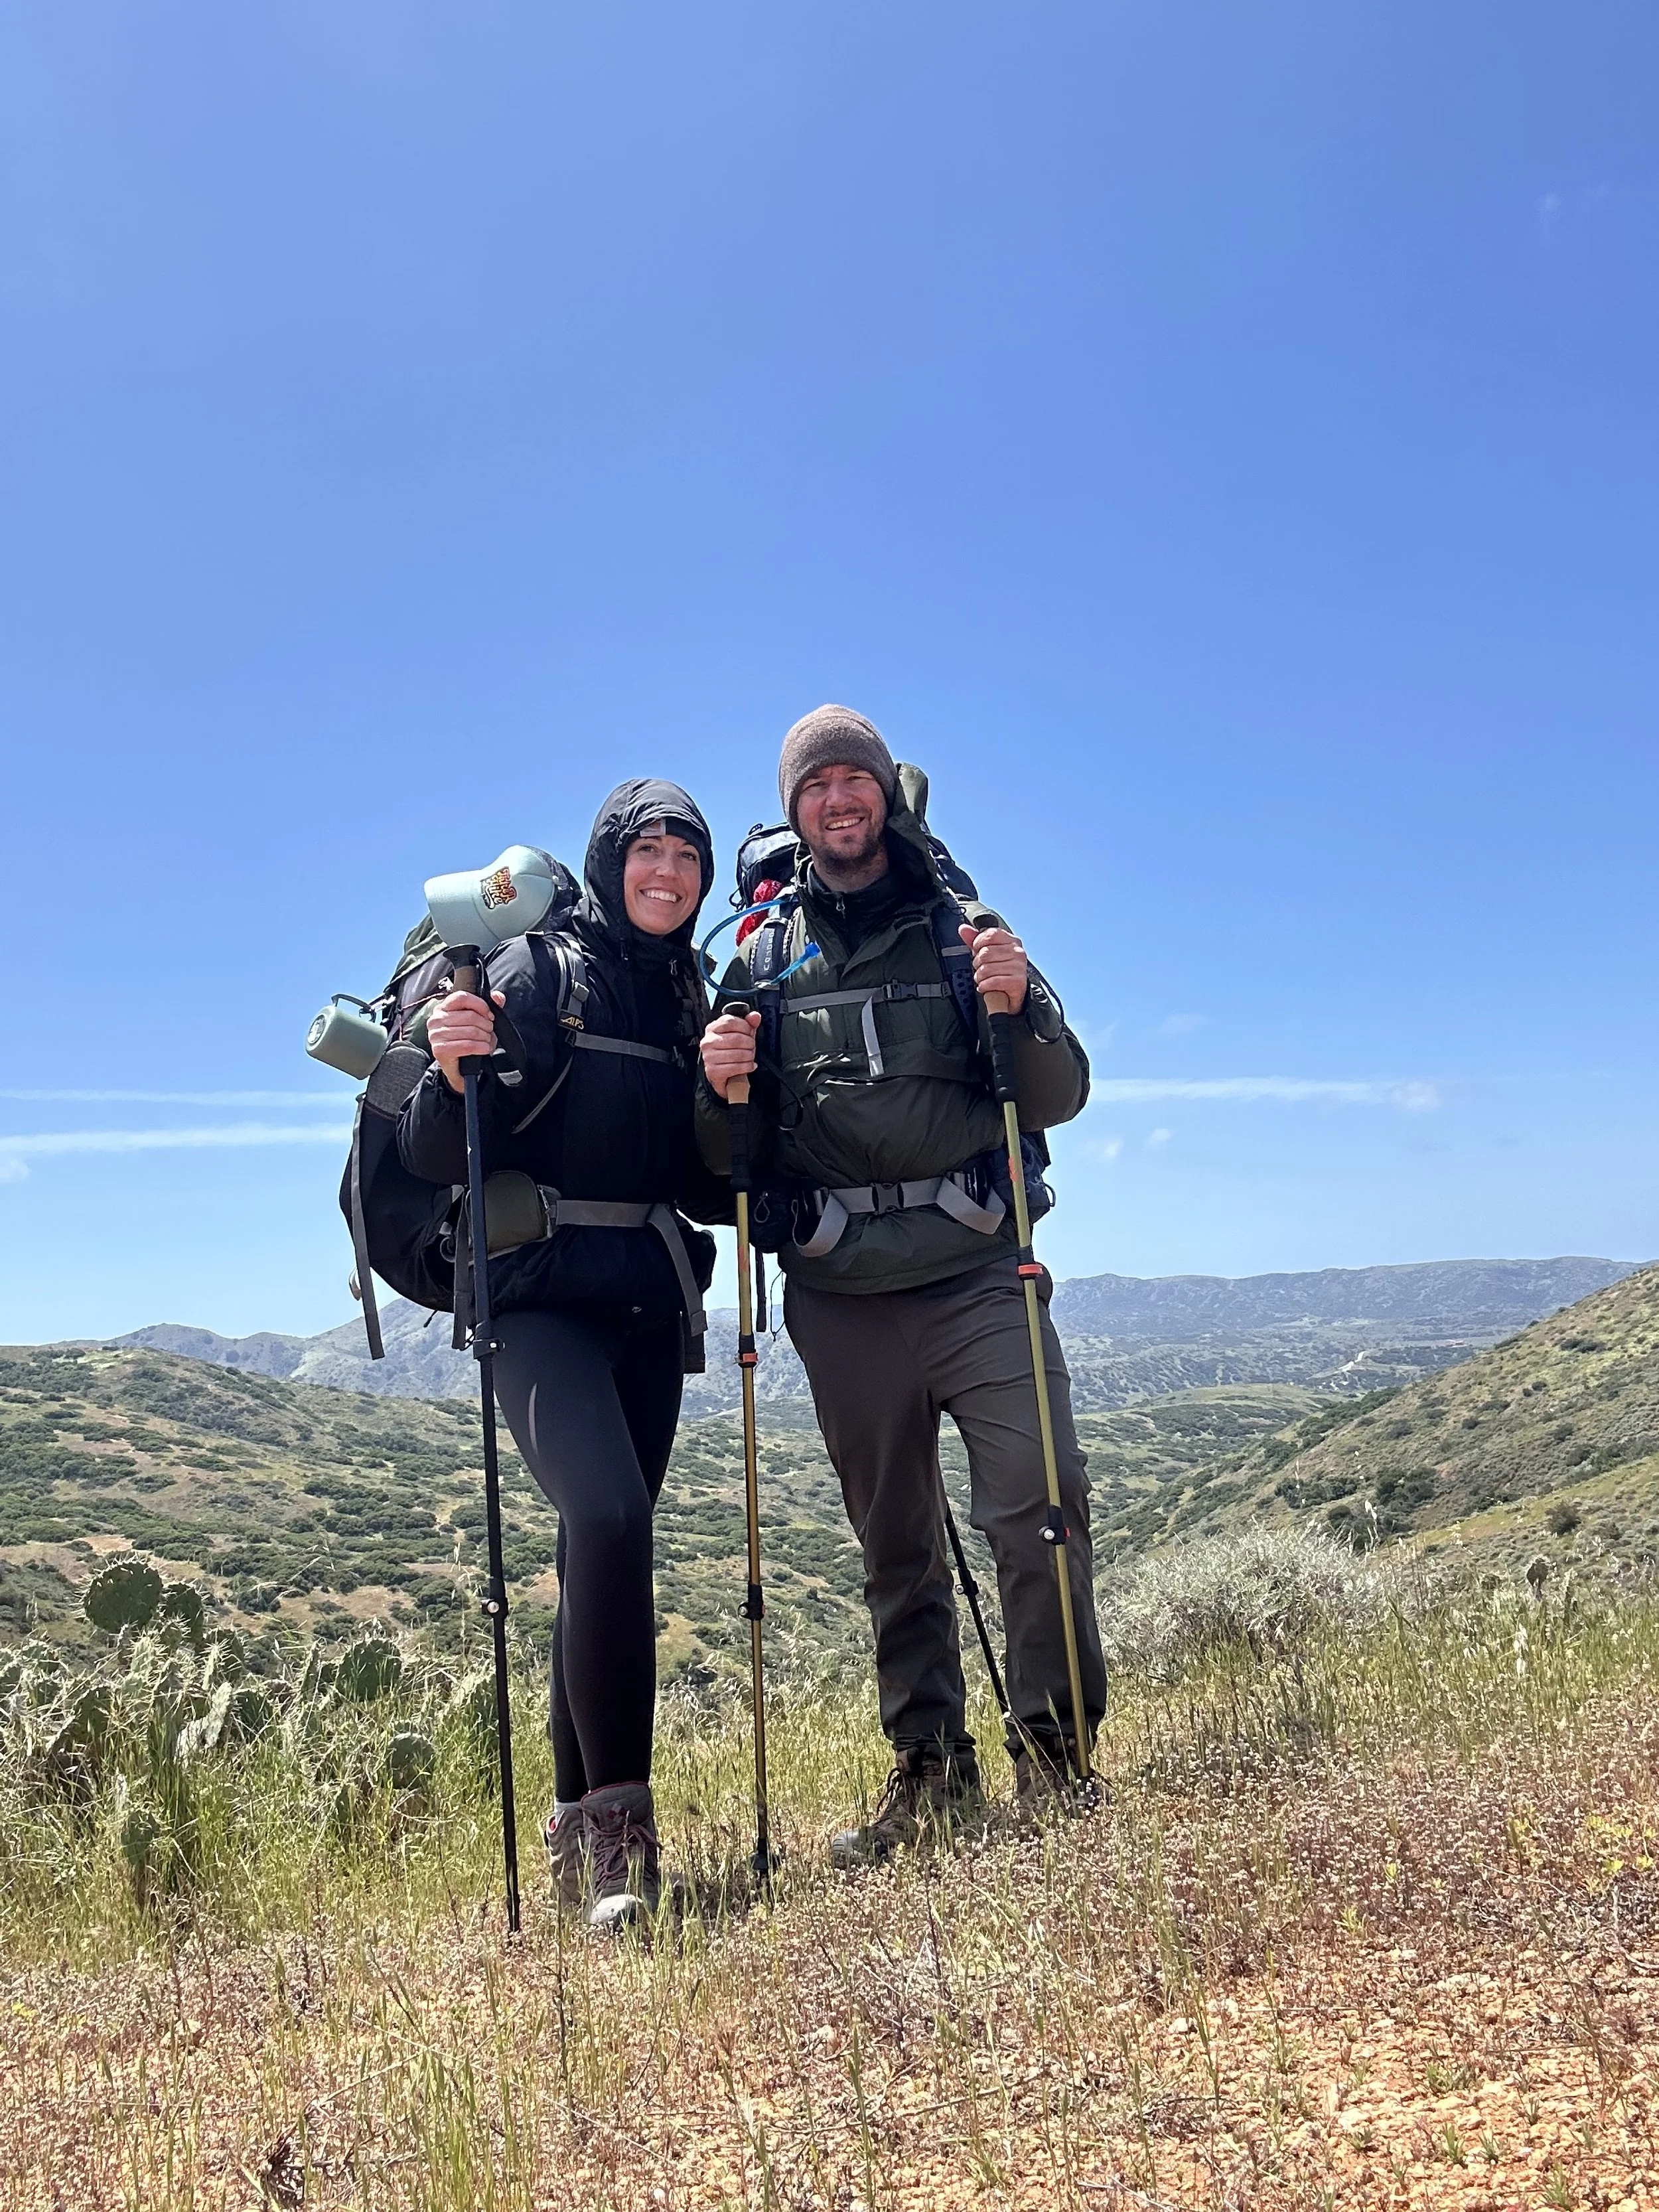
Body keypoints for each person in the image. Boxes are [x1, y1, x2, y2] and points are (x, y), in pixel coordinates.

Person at [697, 706, 1107, 1866]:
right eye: (816, 783)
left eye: (855, 778)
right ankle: (931, 1771)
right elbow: (721, 1158)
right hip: (844, 1299)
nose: (839, 798)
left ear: (886, 796)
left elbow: (1060, 1093)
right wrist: (713, 1080)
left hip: (981, 1276)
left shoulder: (965, 932)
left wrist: (1019, 1000)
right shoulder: (762, 962)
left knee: (1041, 1511)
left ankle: (1058, 1764)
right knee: (897, 1547)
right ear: (796, 811)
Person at [400, 780, 730, 1929]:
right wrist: (452, 1067)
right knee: (609, 1520)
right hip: (536, 1304)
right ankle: (625, 1838)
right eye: (648, 850)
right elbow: (447, 1149)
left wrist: (730, 1100)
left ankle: (572, 1830)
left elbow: (705, 1186)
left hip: (644, 1307)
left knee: (607, 1556)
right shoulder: (541, 974)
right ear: (608, 863)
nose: (669, 871)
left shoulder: (691, 996)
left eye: (688, 854)